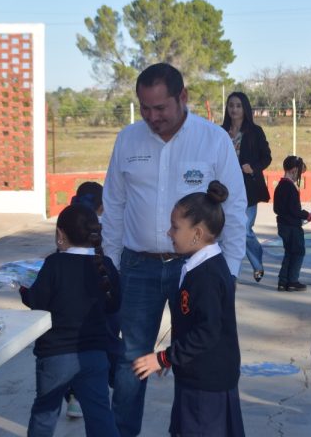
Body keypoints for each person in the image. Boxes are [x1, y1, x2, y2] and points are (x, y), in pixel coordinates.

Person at [101, 63, 246, 436]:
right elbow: (114, 206)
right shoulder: (128, 140)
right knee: (132, 360)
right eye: (145, 108)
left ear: (182, 98)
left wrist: (227, 273)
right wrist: (114, 265)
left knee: (192, 360)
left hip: (194, 271)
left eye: (160, 108)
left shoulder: (213, 140)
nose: (152, 117)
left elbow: (233, 208)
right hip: (138, 267)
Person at [132, 181, 245, 437]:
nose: (169, 233)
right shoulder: (196, 266)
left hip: (207, 382)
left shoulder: (207, 276)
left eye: (175, 227)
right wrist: (175, 358)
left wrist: (164, 357)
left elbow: (207, 331)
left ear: (198, 233)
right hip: (196, 374)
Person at [20, 203, 121, 437]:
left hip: (55, 355)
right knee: (100, 414)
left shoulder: (54, 264)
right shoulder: (105, 266)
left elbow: (37, 301)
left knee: (45, 413)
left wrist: (24, 288)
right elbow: (114, 305)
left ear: (60, 235)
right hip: (95, 355)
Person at [65, 181, 108, 419]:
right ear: (102, 206)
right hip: (96, 298)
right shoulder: (102, 225)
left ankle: (72, 396)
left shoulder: (68, 219)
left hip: (69, 300)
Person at [221, 91, 272, 282]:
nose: (234, 109)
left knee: (245, 229)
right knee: (224, 230)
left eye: (238, 105)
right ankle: (227, 269)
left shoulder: (255, 131)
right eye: (231, 105)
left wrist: (253, 169)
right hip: (224, 191)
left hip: (249, 189)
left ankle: (257, 265)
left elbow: (266, 157)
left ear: (245, 109)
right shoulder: (220, 131)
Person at [273, 155, 311, 292]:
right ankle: (292, 280)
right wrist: (306, 215)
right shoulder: (290, 187)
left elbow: (276, 208)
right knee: (298, 252)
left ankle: (283, 281)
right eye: (300, 173)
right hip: (292, 226)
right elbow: (294, 210)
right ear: (294, 170)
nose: (299, 176)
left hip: (283, 224)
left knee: (289, 252)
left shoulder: (280, 186)